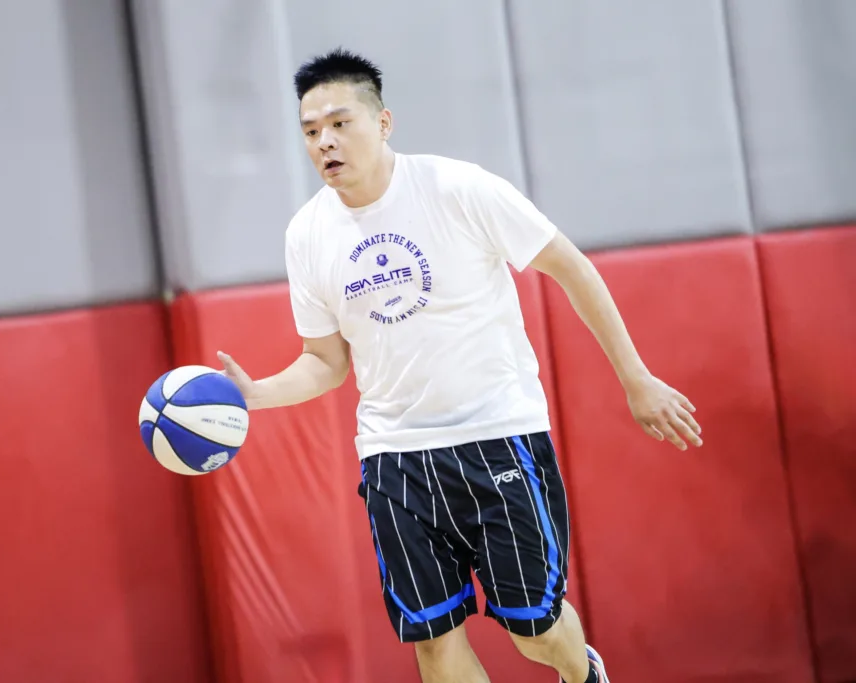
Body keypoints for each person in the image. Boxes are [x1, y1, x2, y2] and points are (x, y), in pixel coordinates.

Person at [217, 47, 703, 683]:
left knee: (534, 630)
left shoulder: (458, 188)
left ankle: (582, 672)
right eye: (310, 132)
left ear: (383, 122)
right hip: (394, 457)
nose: (324, 142)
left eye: (340, 123)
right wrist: (254, 394)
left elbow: (571, 266)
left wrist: (636, 379)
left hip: (498, 435)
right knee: (434, 644)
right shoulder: (306, 234)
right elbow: (326, 361)